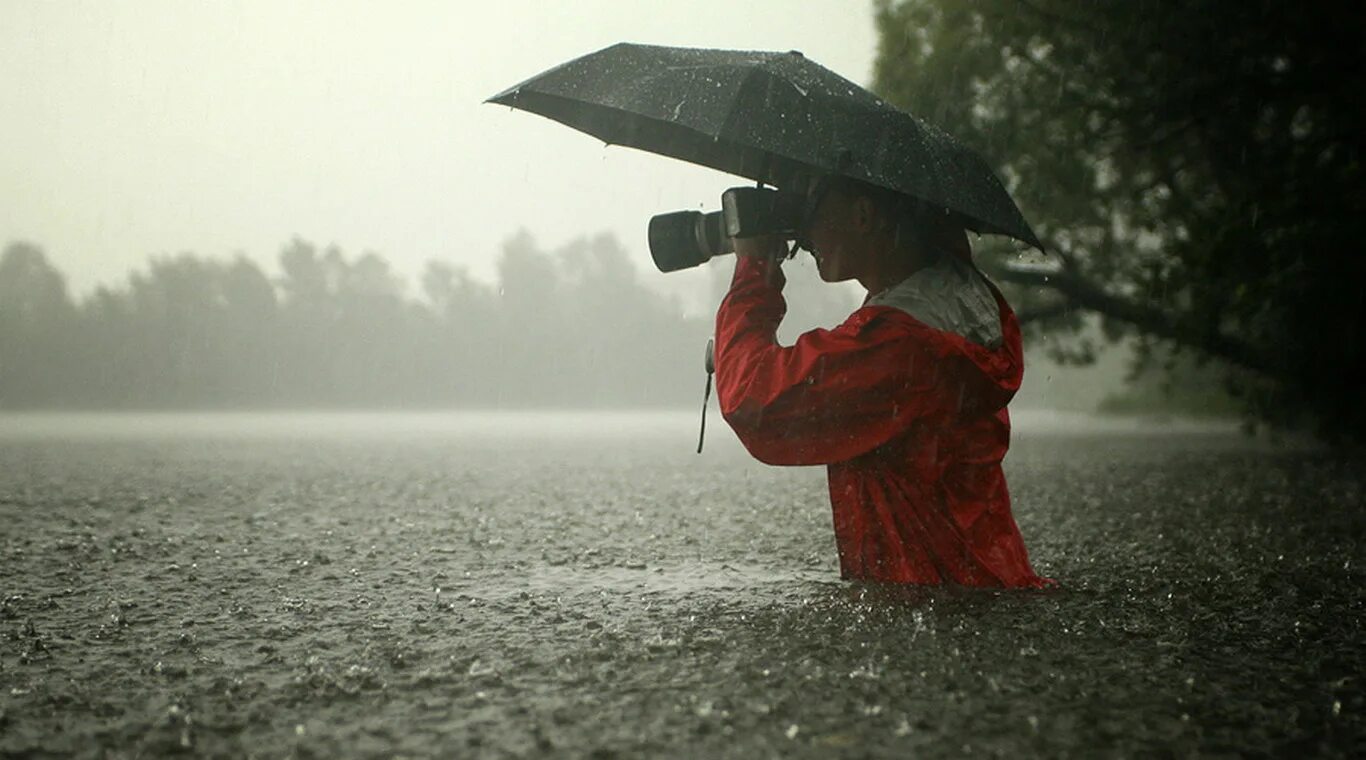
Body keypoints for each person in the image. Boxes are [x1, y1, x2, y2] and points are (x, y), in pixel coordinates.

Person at [714, 175, 1052, 588]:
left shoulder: (898, 344)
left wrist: (752, 273)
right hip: (984, 582)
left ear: (862, 214)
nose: (803, 231)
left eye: (811, 205)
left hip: (930, 604)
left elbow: (754, 400)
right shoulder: (953, 296)